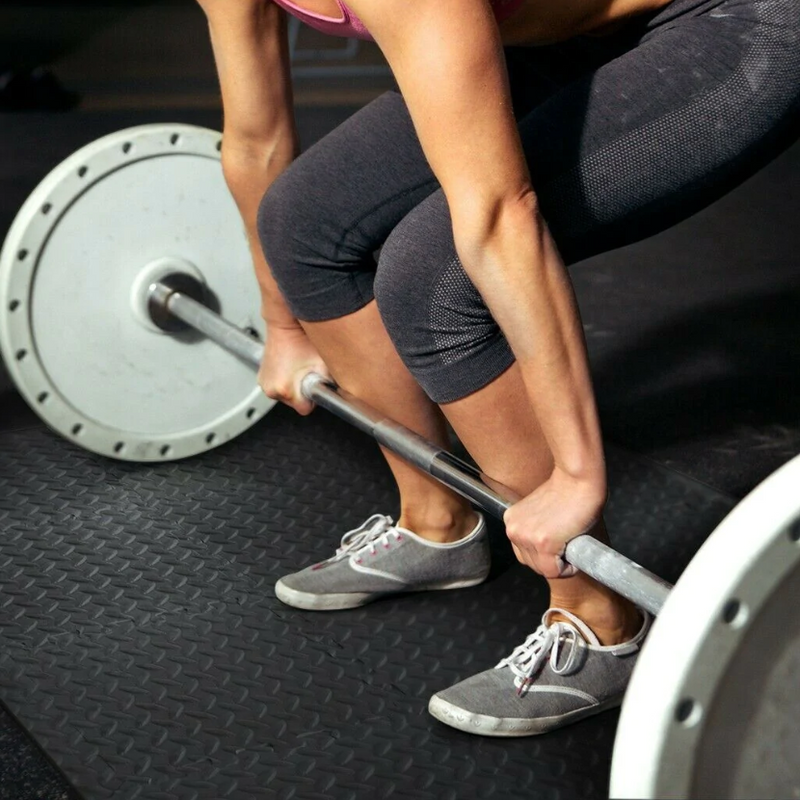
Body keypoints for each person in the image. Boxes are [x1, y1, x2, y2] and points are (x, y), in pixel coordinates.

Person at [196, 0, 800, 736]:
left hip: (740, 18)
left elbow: (499, 218)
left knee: (435, 273)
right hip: (562, 35)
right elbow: (254, 145)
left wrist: (579, 476)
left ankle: (600, 621)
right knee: (305, 222)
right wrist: (284, 324)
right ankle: (436, 521)